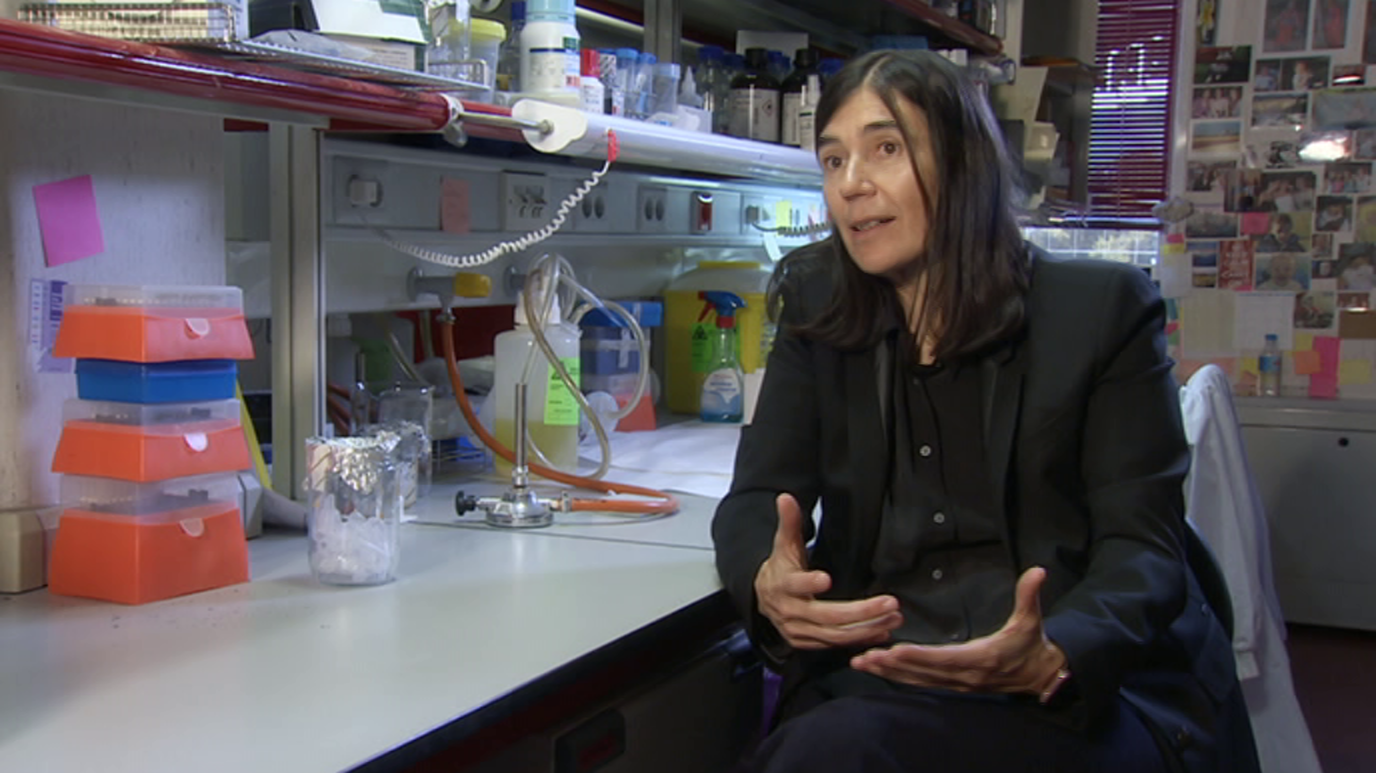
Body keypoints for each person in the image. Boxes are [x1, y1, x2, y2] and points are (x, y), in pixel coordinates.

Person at [712, 50, 1259, 773]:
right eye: (833, 159)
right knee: (832, 747)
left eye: (885, 149)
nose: (851, 184)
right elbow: (757, 496)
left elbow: (1145, 552)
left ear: (963, 162)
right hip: (879, 676)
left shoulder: (1100, 313)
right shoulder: (819, 308)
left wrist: (1058, 649)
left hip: (1066, 686)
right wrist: (768, 578)